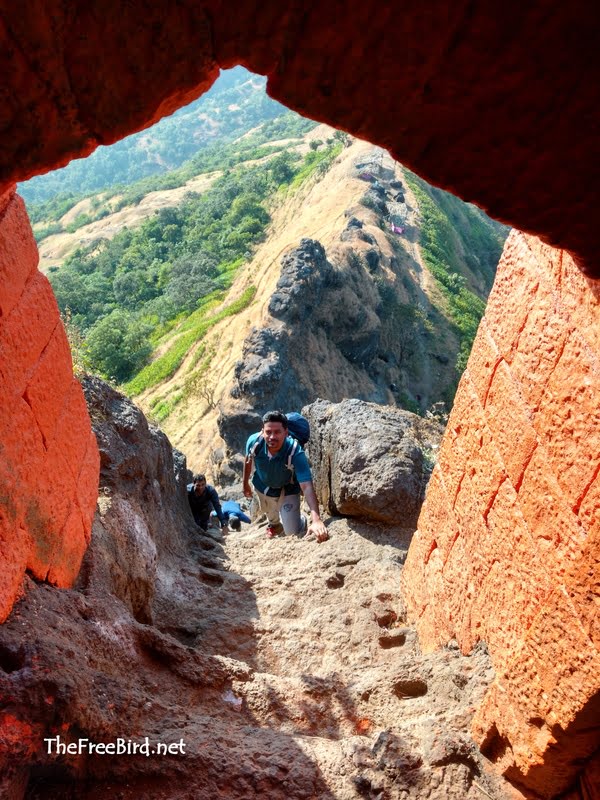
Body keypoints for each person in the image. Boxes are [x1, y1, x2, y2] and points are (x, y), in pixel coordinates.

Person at [243, 410, 329, 542]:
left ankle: (301, 520)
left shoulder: (294, 451)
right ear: (262, 431)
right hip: (263, 486)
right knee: (270, 515)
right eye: (268, 432)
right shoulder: (254, 443)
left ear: (286, 433)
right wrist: (245, 485)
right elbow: (248, 460)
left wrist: (316, 520)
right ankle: (274, 525)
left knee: (291, 532)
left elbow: (306, 486)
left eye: (277, 432)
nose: (272, 437)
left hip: (287, 489)